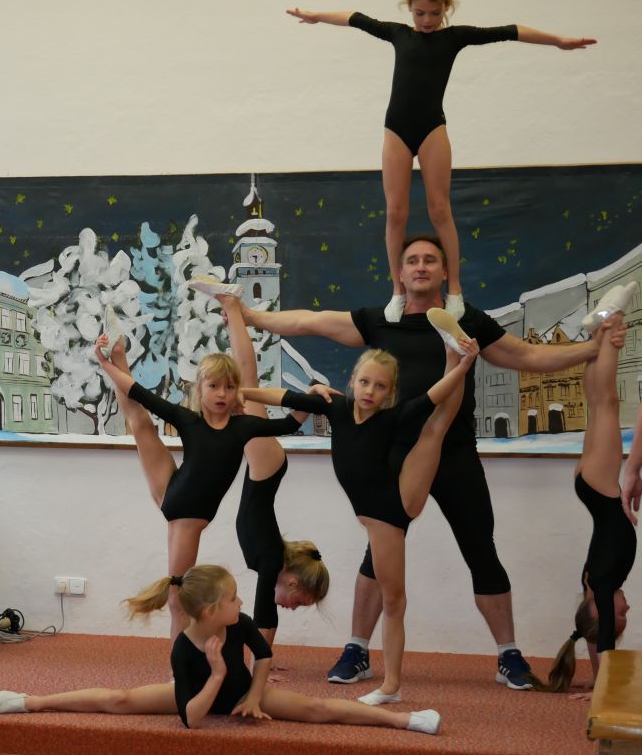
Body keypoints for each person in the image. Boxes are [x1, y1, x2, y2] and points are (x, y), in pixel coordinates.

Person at [239, 233, 618, 691]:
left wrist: (592, 349)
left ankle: (509, 656)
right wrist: (250, 316)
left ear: (444, 272)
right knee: (376, 557)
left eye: (430, 260)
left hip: (454, 453)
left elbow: (528, 356)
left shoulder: (468, 321)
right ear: (400, 273)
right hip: (394, 458)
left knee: (481, 550)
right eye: (412, 260)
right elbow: (310, 321)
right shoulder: (381, 321)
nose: (421, 266)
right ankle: (357, 650)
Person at [287, 0, 596, 322]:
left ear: (446, 7)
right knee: (396, 212)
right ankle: (397, 291)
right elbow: (354, 18)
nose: (427, 20)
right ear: (409, 7)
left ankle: (455, 290)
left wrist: (557, 41)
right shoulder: (398, 33)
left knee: (440, 210)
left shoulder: (454, 38)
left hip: (432, 128)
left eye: (435, 13)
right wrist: (316, 16)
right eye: (420, 13)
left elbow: (511, 31)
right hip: (396, 130)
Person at [241, 321, 478, 704]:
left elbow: (434, 396)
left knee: (394, 600)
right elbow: (284, 396)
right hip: (379, 510)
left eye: (380, 386)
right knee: (434, 430)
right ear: (353, 381)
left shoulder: (390, 418)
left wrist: (464, 366)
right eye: (365, 382)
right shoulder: (336, 407)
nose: (370, 391)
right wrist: (242, 393)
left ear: (389, 392)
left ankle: (392, 686)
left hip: (390, 512)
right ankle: (453, 351)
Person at [0, 565, 441, 737]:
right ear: (209, 610)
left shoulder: (239, 623)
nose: (241, 603)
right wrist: (219, 674)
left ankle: (405, 720)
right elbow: (191, 719)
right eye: (233, 598)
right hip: (202, 696)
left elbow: (263, 657)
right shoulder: (184, 651)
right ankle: (31, 702)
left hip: (243, 692)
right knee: (118, 699)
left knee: (319, 709)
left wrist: (252, 695)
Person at [94, 313, 305, 641]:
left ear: (237, 392)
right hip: (185, 515)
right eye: (214, 386)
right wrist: (107, 364)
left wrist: (311, 397)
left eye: (230, 387)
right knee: (178, 598)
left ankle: (184, 656)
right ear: (200, 389)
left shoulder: (243, 427)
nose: (222, 393)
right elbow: (138, 393)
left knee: (141, 424)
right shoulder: (188, 420)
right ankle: (178, 666)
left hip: (176, 492)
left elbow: (290, 423)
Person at [211, 291, 330, 644]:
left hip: (266, 468)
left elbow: (265, 611)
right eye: (299, 602)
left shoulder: (272, 561)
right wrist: (262, 661)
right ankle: (232, 307)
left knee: (243, 391)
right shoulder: (271, 561)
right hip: (267, 468)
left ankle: (234, 318)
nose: (292, 607)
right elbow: (266, 613)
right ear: (292, 582)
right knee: (246, 385)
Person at [531, 310, 635, 697]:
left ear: (597, 605)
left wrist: (602, 692)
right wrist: (595, 676)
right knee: (596, 403)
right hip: (589, 487)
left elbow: (603, 636)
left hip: (602, 488)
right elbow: (594, 635)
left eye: (620, 612)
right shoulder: (590, 584)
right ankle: (598, 335)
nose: (626, 608)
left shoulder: (603, 586)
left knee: (606, 403)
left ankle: (609, 324)